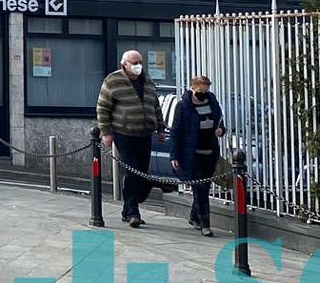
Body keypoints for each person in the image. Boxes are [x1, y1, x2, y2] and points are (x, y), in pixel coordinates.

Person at [96, 49, 163, 228]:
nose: (138, 66)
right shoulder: (113, 81)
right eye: (134, 63)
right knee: (132, 172)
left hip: (145, 133)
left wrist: (161, 128)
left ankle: (128, 209)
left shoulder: (147, 81)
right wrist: (106, 132)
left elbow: (155, 106)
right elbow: (102, 108)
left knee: (142, 173)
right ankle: (133, 212)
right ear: (124, 64)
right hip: (124, 133)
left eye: (140, 62)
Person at [168, 74, 227, 236]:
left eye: (205, 91)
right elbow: (175, 131)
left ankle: (194, 216)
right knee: (199, 188)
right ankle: (205, 223)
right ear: (192, 89)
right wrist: (174, 155)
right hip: (192, 154)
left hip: (210, 152)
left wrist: (221, 130)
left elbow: (220, 121)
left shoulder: (212, 102)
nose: (203, 94)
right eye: (200, 92)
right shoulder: (183, 106)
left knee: (204, 188)